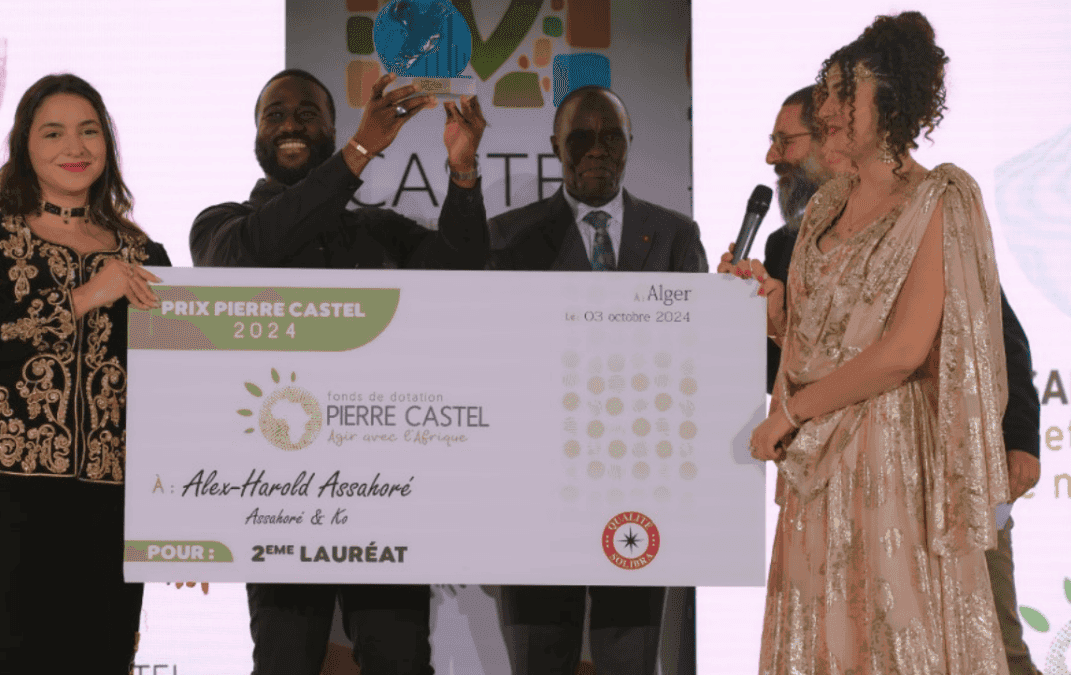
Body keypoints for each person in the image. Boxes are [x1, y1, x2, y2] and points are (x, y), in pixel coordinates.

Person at [726, 12, 1014, 672]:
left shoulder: (938, 199)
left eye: (840, 94)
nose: (825, 110)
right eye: (825, 93)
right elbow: (820, 336)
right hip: (817, 471)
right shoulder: (825, 207)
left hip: (889, 461)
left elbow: (904, 350)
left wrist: (790, 412)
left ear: (889, 102)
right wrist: (773, 306)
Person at [190, 68, 488, 675]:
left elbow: (461, 276)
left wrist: (462, 172)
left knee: (401, 662)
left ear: (329, 130)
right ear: (256, 132)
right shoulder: (222, 227)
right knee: (285, 662)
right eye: (275, 113)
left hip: (381, 494)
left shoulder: (378, 231)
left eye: (308, 113)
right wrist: (360, 149)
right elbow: (250, 258)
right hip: (273, 498)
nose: (291, 123)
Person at [0, 73, 170, 673]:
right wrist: (87, 295)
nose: (74, 147)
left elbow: (167, 396)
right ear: (24, 144)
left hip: (107, 506)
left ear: (107, 143)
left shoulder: (145, 257)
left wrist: (183, 521)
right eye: (53, 132)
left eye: (89, 131)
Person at [488, 85, 705, 675]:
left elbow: (696, 358)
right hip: (537, 491)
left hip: (641, 491)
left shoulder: (675, 235)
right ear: (555, 145)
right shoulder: (507, 237)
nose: (596, 149)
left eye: (611, 136)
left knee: (629, 663)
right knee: (538, 662)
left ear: (630, 142)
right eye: (581, 137)